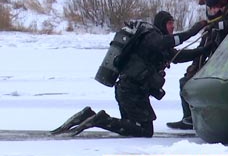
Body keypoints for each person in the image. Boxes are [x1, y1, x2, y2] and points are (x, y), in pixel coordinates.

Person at [51, 11, 211, 137]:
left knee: (129, 125)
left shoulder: (158, 46)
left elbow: (179, 56)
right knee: (145, 130)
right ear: (162, 24)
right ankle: (100, 120)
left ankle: (88, 115)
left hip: (129, 89)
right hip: (131, 90)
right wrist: (192, 31)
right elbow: (165, 42)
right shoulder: (151, 37)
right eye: (170, 23)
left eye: (173, 24)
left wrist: (203, 50)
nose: (172, 27)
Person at [166, 7, 228, 129]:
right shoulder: (209, 31)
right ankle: (188, 117)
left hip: (227, 66)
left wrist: (217, 25)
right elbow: (201, 51)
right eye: (210, 8)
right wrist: (194, 66)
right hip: (211, 65)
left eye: (216, 8)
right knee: (185, 82)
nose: (213, 11)